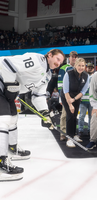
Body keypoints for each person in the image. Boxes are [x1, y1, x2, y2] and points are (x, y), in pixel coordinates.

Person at [0, 49, 65, 181]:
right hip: (2, 84)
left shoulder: (47, 75)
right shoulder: (36, 60)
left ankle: (12, 148)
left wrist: (45, 114)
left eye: (61, 62)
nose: (59, 63)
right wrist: (10, 85)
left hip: (8, 91)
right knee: (3, 120)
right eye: (57, 59)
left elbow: (38, 96)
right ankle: (1, 162)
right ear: (50, 55)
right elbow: (6, 63)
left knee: (13, 119)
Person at [61, 58, 89, 148]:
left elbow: (83, 91)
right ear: (75, 66)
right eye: (79, 65)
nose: (81, 67)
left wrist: (74, 99)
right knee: (70, 115)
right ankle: (69, 139)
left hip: (76, 97)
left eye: (83, 65)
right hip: (67, 96)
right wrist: (70, 104)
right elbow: (65, 90)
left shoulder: (86, 75)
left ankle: (73, 135)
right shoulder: (68, 74)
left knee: (74, 116)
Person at [57, 51, 78, 141]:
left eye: (75, 57)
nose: (74, 58)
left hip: (75, 96)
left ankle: (72, 133)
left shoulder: (79, 68)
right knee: (65, 114)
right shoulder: (64, 68)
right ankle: (63, 132)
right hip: (65, 95)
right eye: (72, 57)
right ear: (69, 58)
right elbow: (60, 83)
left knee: (73, 115)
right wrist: (62, 96)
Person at [78, 63, 94, 136]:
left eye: (91, 67)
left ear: (93, 69)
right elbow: (78, 86)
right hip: (83, 100)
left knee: (91, 116)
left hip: (92, 101)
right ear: (86, 68)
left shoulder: (95, 77)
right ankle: (80, 130)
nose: (90, 68)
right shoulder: (82, 76)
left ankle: (90, 130)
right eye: (89, 67)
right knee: (81, 116)